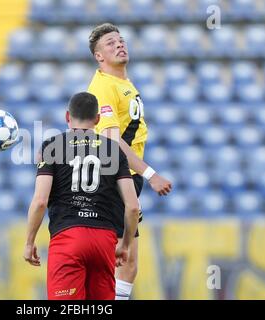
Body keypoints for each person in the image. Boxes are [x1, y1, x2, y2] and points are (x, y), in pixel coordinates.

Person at [24, 92, 139, 300]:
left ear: (68, 116)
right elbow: (132, 206)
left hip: (68, 238)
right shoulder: (114, 150)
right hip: (104, 241)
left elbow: (40, 201)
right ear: (97, 119)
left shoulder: (52, 146)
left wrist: (29, 241)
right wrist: (126, 245)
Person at [87, 23, 173, 300]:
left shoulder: (123, 82)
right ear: (99, 56)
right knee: (112, 263)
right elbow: (112, 140)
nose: (119, 45)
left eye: (120, 40)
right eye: (110, 43)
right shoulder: (103, 86)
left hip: (126, 179)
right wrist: (151, 174)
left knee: (128, 264)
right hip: (111, 178)